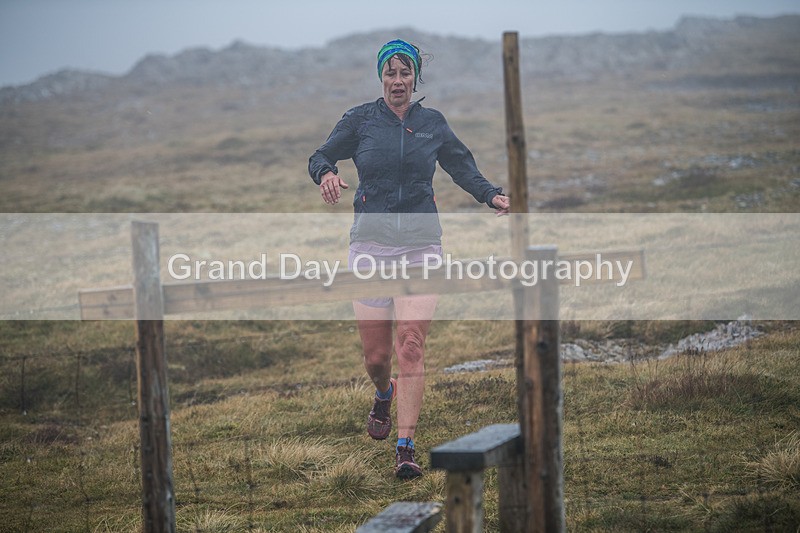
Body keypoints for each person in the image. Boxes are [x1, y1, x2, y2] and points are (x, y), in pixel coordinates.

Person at [308, 38, 510, 479]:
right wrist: (325, 173)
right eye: (390, 73)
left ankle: (405, 446)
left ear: (415, 77)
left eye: (405, 73)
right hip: (370, 249)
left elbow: (461, 166)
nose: (398, 81)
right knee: (377, 359)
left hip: (421, 248)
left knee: (411, 346)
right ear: (381, 76)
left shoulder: (432, 123)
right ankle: (385, 392)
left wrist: (490, 194)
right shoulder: (360, 121)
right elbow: (320, 154)